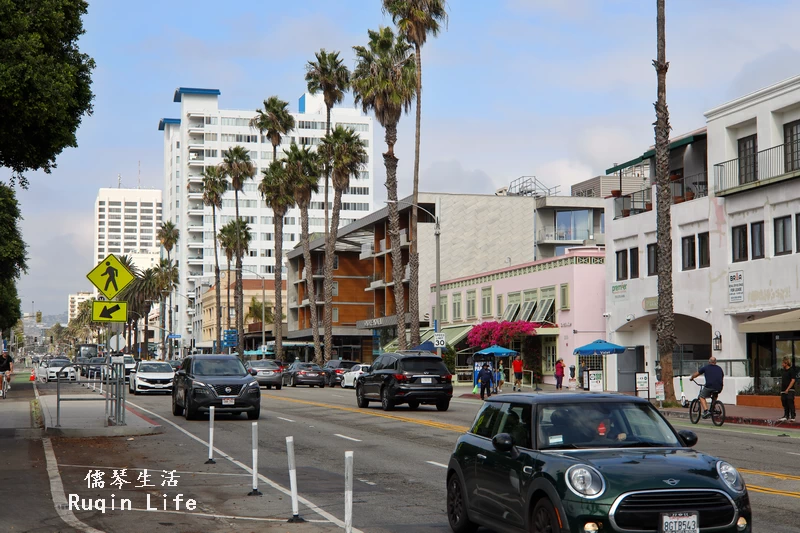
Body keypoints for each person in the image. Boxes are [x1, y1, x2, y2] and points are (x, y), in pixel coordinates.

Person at [779, 356, 797, 423]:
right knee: (784, 402)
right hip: (783, 390)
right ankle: (786, 416)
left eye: (783, 363)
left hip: (790, 390)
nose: (782, 364)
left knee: (790, 401)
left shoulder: (791, 370)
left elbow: (793, 380)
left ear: (786, 363)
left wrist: (788, 388)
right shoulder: (783, 371)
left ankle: (793, 416)